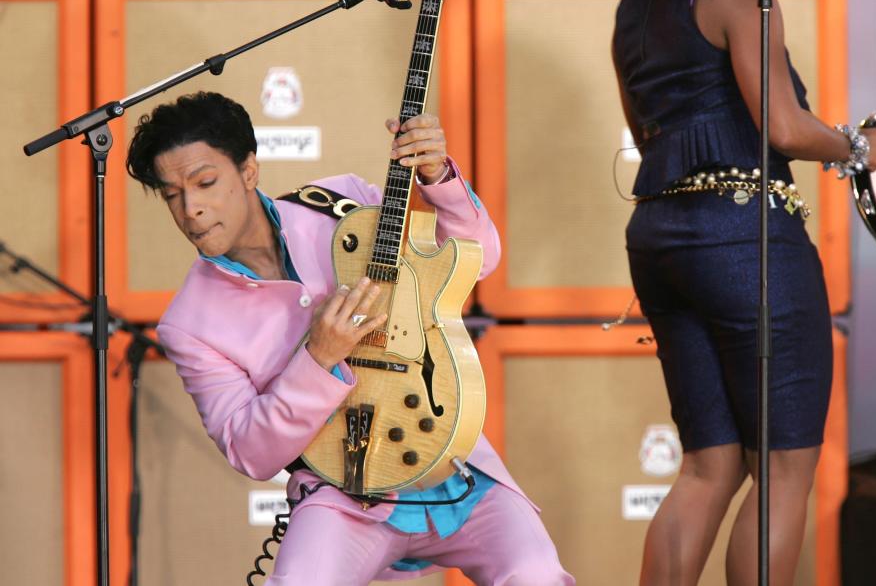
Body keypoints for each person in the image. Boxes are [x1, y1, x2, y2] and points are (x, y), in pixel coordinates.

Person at [126, 91, 573, 585]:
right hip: (341, 493)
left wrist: (436, 177)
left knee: (535, 574)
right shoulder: (189, 323)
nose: (191, 209)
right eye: (172, 195)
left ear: (249, 170)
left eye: (205, 182)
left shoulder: (341, 204)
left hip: (453, 463)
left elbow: (475, 260)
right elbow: (250, 450)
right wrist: (318, 358)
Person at [586, 0, 876, 585]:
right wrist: (860, 148)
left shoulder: (636, 5)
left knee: (708, 465)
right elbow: (782, 127)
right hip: (745, 238)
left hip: (661, 236)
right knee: (781, 470)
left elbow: (647, 134)